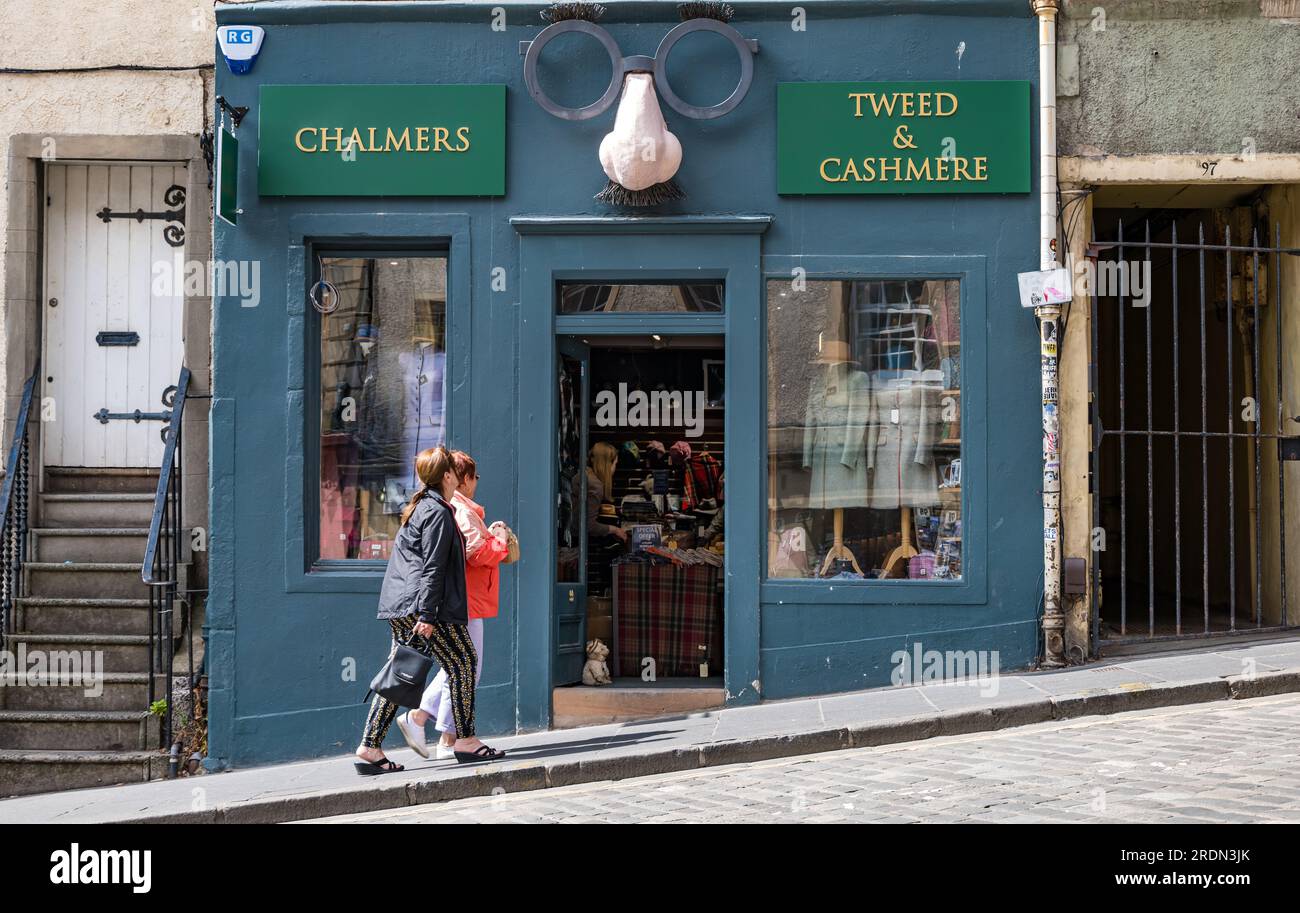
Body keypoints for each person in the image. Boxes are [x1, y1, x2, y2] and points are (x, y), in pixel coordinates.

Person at [355, 445, 505, 774]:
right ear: (448, 475)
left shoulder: (423, 505)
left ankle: (370, 745)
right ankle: (465, 740)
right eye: (454, 469)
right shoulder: (438, 511)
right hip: (422, 606)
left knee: (401, 672)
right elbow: (433, 567)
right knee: (464, 661)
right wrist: (426, 615)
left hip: (402, 602)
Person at [406, 451, 509, 759]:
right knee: (465, 668)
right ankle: (433, 726)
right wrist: (499, 540)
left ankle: (442, 736)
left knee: (460, 667)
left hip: (465, 600)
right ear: (461, 479)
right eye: (475, 477)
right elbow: (475, 553)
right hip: (467, 602)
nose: (477, 483)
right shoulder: (459, 512)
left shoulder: (453, 509)